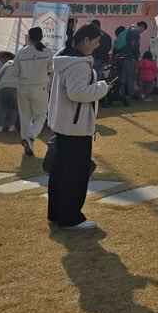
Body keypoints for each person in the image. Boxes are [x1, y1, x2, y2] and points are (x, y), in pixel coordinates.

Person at [47, 23, 109, 231]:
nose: (97, 46)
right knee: (75, 175)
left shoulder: (65, 57)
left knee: (60, 172)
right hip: (76, 127)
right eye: (96, 41)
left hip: (64, 124)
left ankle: (56, 213)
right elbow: (78, 93)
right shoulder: (79, 63)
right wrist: (102, 87)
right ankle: (70, 218)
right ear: (86, 41)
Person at [15, 27, 54, 157]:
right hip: (40, 87)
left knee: (25, 117)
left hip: (23, 87)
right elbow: (51, 69)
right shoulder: (47, 51)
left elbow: (15, 72)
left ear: (29, 37)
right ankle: (30, 137)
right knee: (41, 115)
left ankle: (27, 143)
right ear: (41, 37)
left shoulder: (21, 52)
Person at [0, 52, 19, 132]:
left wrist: (0, 84)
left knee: (3, 107)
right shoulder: (20, 64)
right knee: (14, 108)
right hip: (15, 88)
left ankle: (0, 127)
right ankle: (12, 126)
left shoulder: (6, 64)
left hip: (3, 87)